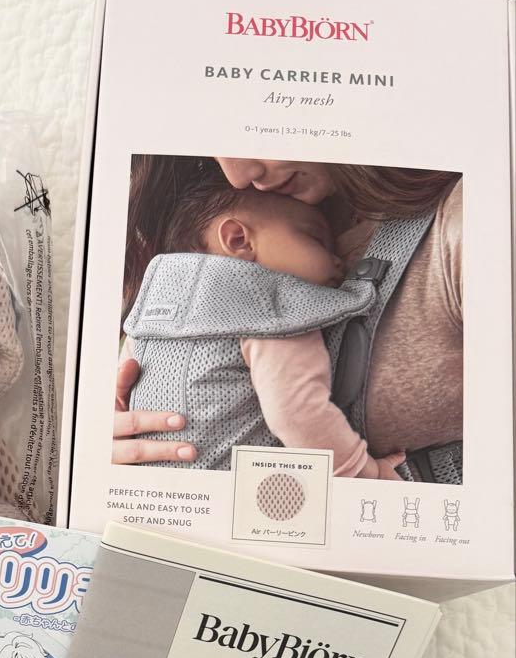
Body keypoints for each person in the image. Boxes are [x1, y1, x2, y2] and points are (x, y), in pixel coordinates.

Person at [114, 156, 462, 476]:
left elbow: (129, 369)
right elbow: (296, 412)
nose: (238, 176)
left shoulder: (159, 301)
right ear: (237, 239)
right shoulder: (275, 316)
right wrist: (366, 475)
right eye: (316, 239)